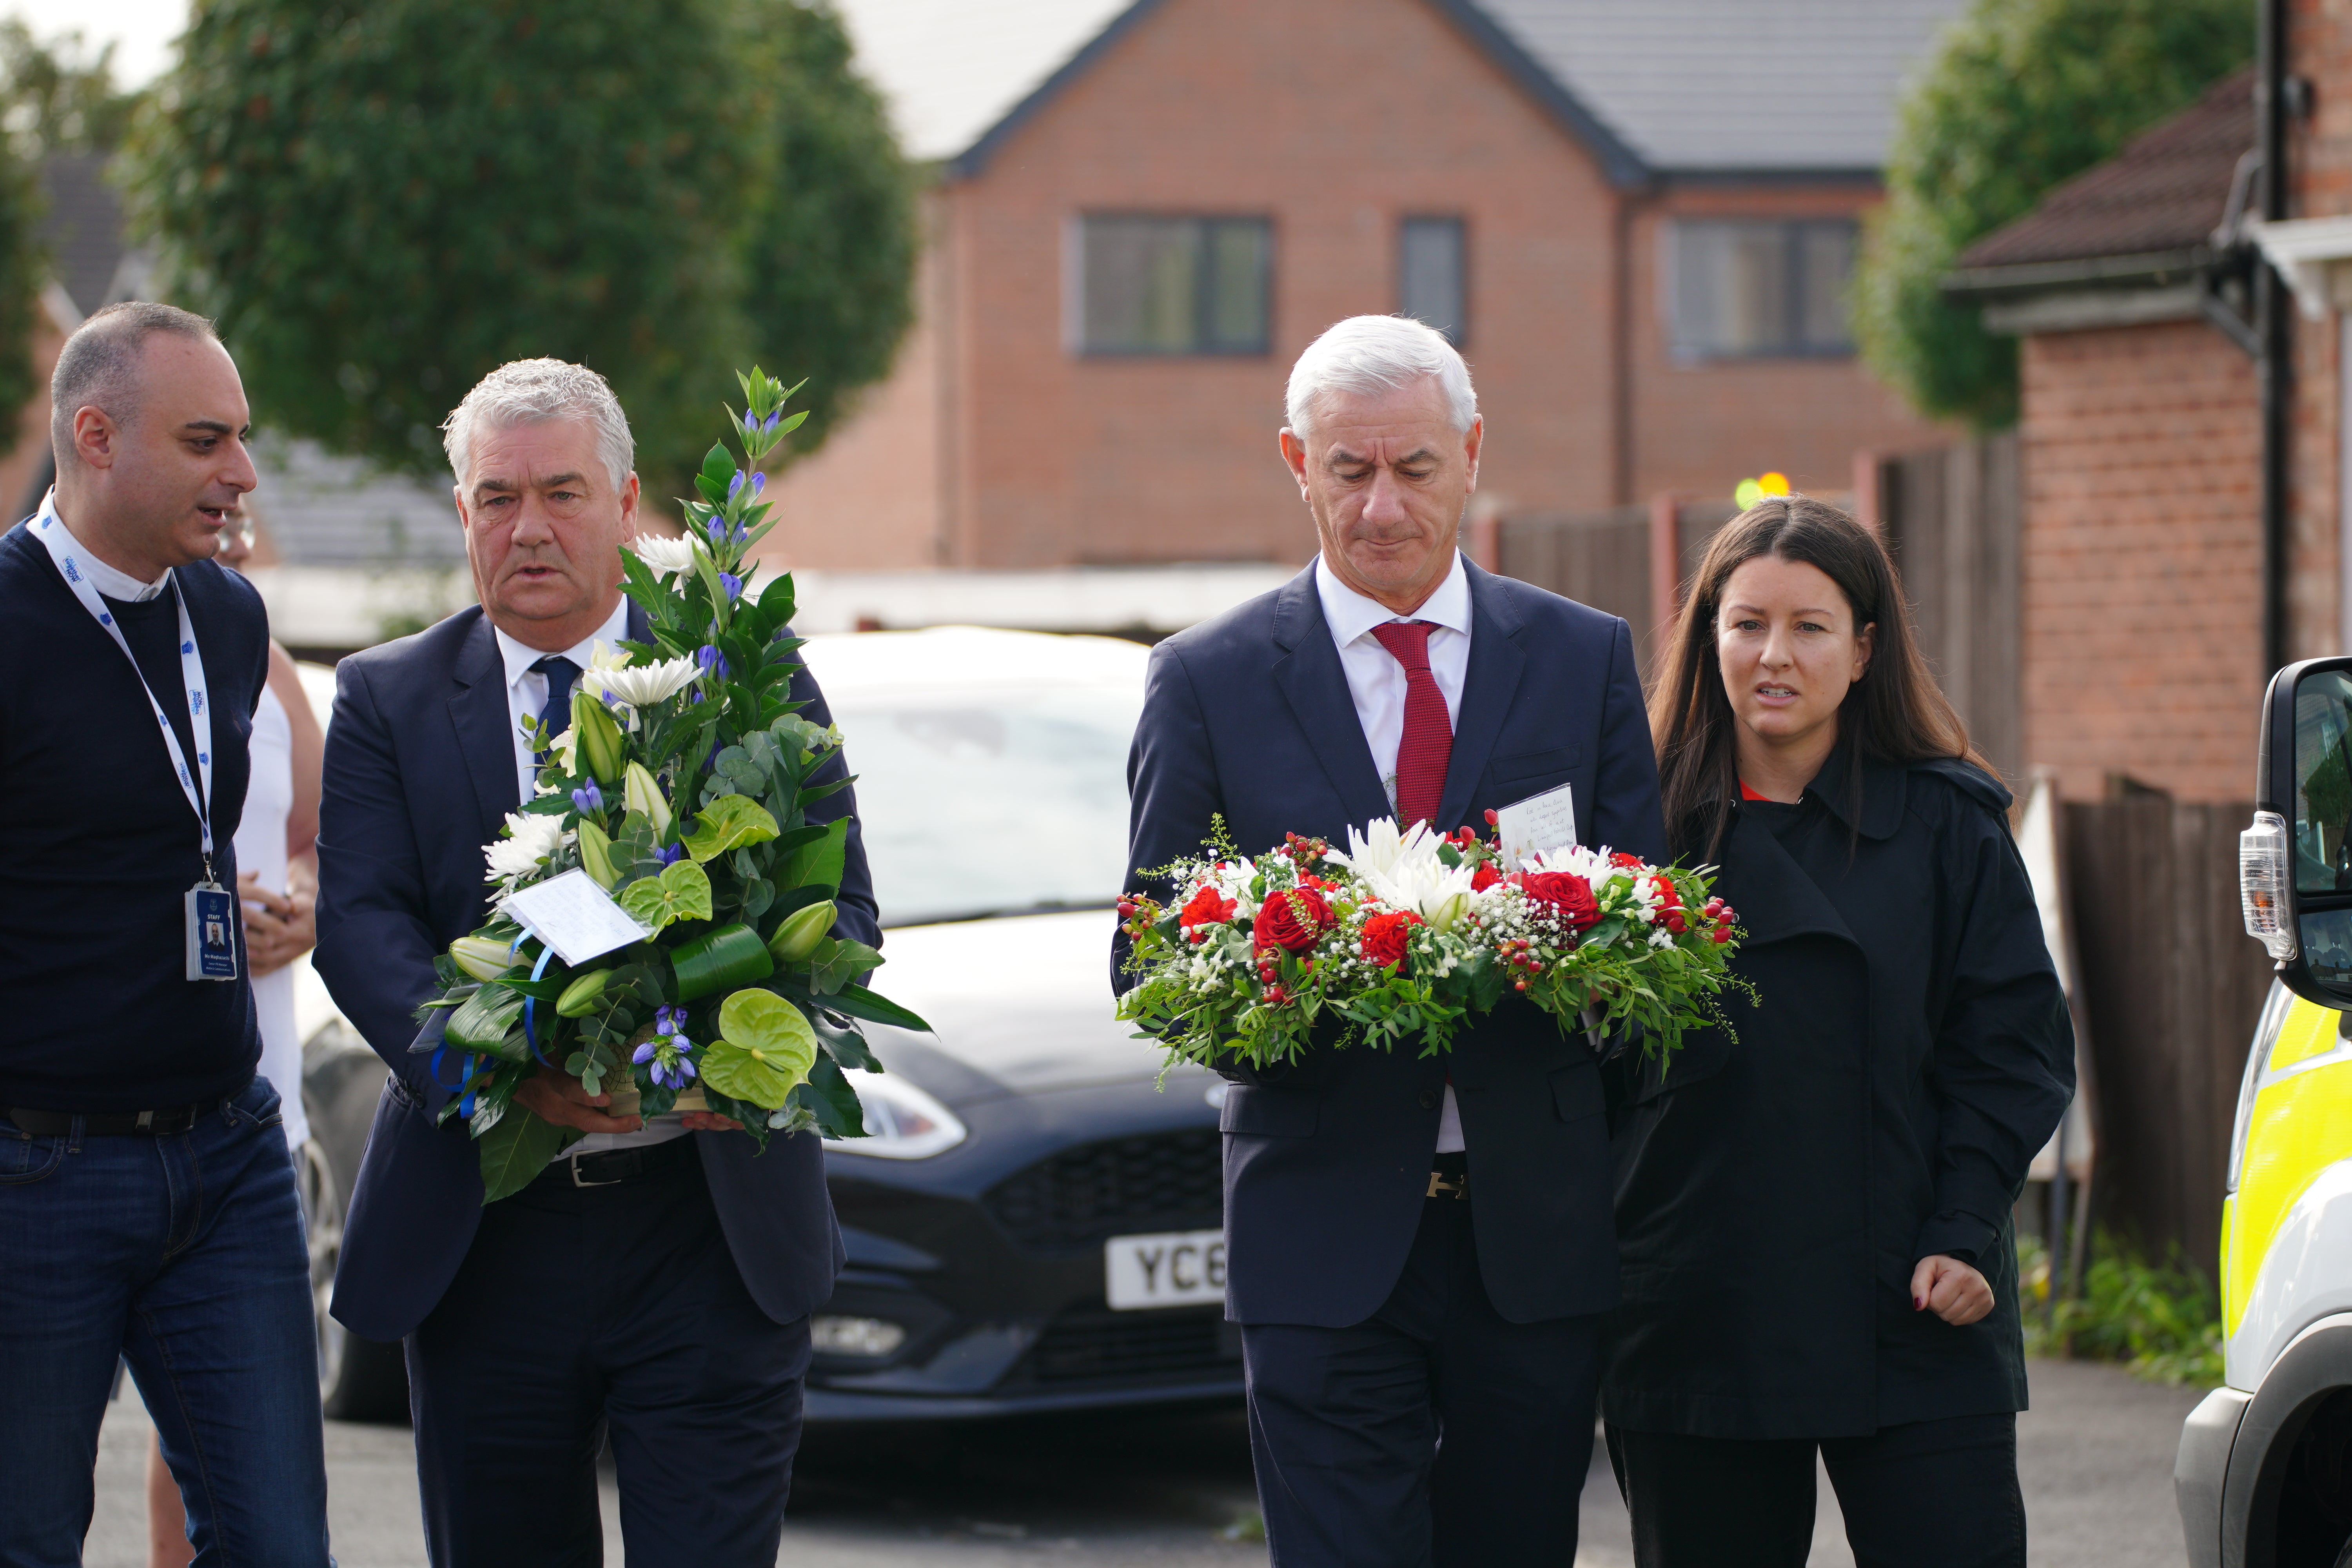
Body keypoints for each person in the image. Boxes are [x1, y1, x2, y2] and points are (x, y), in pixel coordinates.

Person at [1120, 314, 1666, 1567]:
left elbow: (1651, 930)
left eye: (1414, 468)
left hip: (1531, 1240)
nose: (1381, 506)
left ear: (1472, 455)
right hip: (1317, 1236)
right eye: (1348, 469)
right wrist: (1294, 970)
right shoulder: (1205, 680)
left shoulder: (1583, 659)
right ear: (1294, 463)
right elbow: (1146, 956)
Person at [312, 358, 877, 1566]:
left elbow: (846, 916)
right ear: (462, 513)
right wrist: (500, 1073)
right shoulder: (386, 699)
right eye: (496, 498)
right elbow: (359, 930)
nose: (528, 528)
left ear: (628, 507)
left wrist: (723, 1070)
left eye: (562, 493)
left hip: (708, 1232)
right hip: (486, 1241)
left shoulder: (749, 681)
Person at [1604, 495, 2075, 1568]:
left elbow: (2014, 1051)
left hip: (1917, 1292)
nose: (1775, 655)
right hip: (1694, 1304)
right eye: (1746, 623)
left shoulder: (1950, 824)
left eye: (1810, 627)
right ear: (1708, 636)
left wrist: (1962, 1230)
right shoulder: (1630, 833)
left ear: (1864, 651)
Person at [0, 301, 331, 1564]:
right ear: (95, 435)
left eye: (240, 438)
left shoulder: (231, 621)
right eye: (206, 441)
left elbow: (269, 827)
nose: (242, 473)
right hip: (37, 1176)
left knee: (279, 1548)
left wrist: (293, 895)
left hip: (228, 1156)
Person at [148, 508, 325, 1568]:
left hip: (258, 1091)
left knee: (221, 1433)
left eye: (247, 525)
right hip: (89, 1100)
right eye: (221, 521)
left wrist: (305, 906)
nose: (240, 541)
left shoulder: (268, 664)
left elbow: (320, 841)